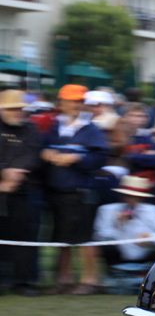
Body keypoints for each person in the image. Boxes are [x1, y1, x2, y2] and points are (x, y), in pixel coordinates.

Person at [40, 84, 109, 295]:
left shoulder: (91, 129)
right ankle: (64, 279)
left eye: (79, 101)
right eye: (72, 101)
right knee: (61, 238)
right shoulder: (54, 127)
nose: (76, 105)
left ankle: (90, 280)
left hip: (82, 191)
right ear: (61, 103)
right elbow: (42, 147)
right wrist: (45, 154)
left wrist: (77, 157)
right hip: (58, 191)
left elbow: (100, 158)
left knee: (84, 238)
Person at [0, 90, 41, 295]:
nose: (17, 112)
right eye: (12, 109)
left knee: (24, 238)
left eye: (20, 108)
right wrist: (4, 172)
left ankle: (23, 282)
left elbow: (33, 154)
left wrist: (16, 172)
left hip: (23, 191)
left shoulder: (31, 128)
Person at [93, 175, 155, 266]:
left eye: (135, 196)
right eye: (128, 196)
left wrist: (150, 237)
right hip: (117, 253)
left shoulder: (154, 211)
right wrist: (118, 225)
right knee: (107, 249)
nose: (131, 200)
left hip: (146, 252)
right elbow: (99, 236)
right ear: (122, 196)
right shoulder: (107, 210)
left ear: (142, 198)